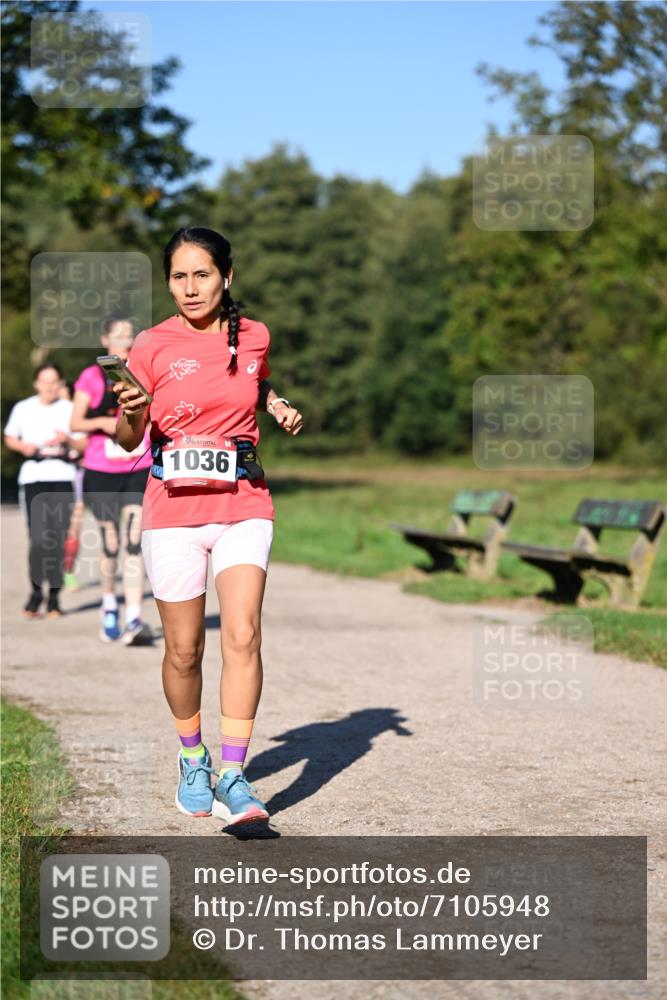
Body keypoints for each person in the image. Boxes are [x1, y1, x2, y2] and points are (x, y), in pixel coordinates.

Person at [114, 226, 302, 825]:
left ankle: (233, 774)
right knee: (185, 649)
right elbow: (126, 444)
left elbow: (250, 377)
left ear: (227, 276)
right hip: (172, 510)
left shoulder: (254, 335)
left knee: (243, 635)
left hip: (244, 501)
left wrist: (274, 402)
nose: (190, 288)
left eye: (202, 274)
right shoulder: (149, 345)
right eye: (178, 276)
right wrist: (130, 415)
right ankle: (191, 758)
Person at [71, 317, 154, 645]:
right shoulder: (90, 377)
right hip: (100, 468)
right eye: (118, 336)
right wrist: (106, 422)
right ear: (105, 340)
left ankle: (134, 616)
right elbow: (75, 421)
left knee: (134, 542)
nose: (125, 341)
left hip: (138, 465)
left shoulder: (143, 373)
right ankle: (109, 606)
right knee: (111, 543)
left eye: (129, 336)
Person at [4, 363, 86, 618]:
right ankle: (36, 591)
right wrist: (23, 447)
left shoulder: (70, 409)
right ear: (36, 383)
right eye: (44, 382)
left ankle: (54, 599)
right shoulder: (23, 408)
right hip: (33, 478)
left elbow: (84, 444)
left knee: (58, 540)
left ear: (61, 384)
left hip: (62, 476)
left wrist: (68, 440)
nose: (49, 387)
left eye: (54, 382)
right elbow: (9, 437)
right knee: (39, 540)